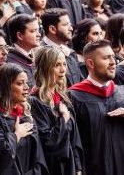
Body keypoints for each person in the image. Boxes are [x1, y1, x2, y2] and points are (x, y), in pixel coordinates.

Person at [69, 40, 124, 175]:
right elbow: (72, 141)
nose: (113, 62)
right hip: (92, 168)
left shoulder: (122, 92)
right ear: (90, 63)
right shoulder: (73, 97)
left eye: (113, 57)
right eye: (106, 58)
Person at [0, 63, 48, 174]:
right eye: (20, 83)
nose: (26, 88)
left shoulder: (26, 114)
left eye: (26, 83)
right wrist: (16, 136)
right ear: (5, 86)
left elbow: (38, 155)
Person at [31, 47, 83, 175]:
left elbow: (74, 137)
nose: (63, 69)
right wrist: (63, 118)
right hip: (52, 167)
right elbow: (48, 142)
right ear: (45, 67)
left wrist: (78, 167)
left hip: (70, 166)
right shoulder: (35, 101)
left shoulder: (63, 98)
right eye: (57, 65)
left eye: (64, 64)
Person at [41, 8, 83, 86]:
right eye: (65, 25)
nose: (71, 28)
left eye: (69, 24)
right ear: (52, 29)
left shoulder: (70, 52)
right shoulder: (41, 54)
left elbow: (80, 81)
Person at [6, 14, 41, 88]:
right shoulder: (9, 62)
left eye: (38, 30)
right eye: (33, 31)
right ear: (20, 36)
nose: (39, 34)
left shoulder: (38, 56)